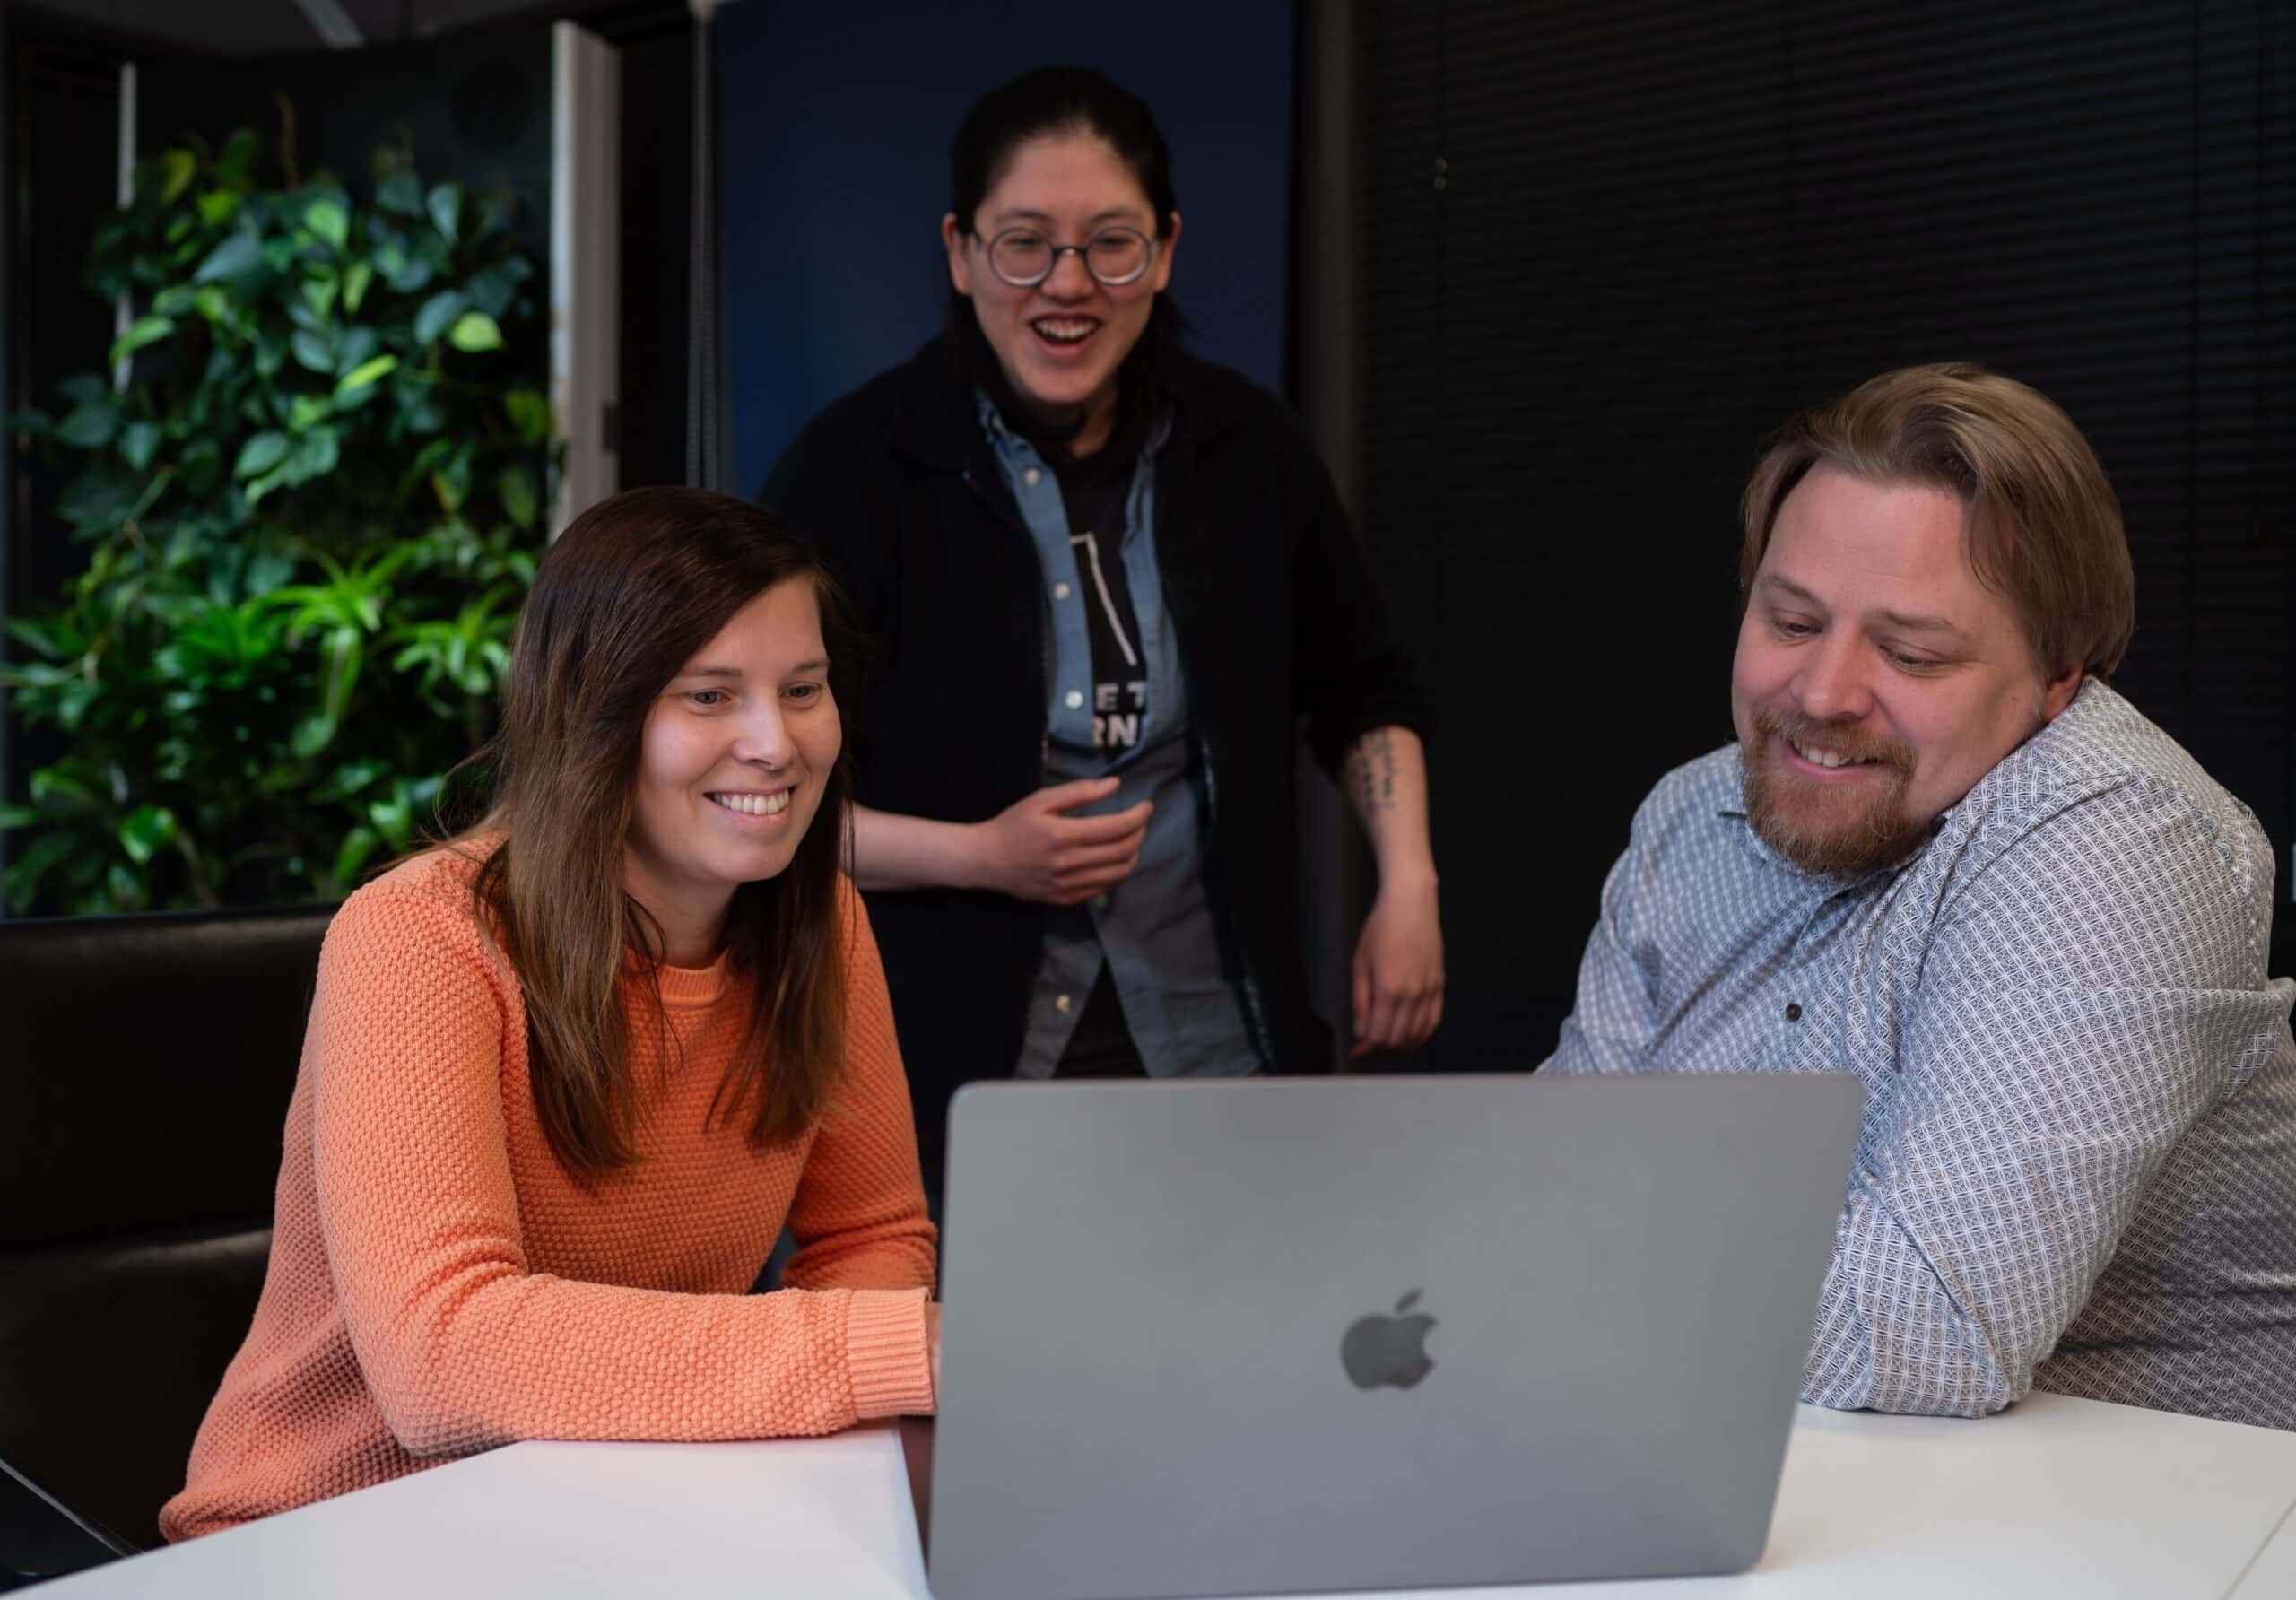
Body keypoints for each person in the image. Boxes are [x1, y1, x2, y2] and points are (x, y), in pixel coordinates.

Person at [161, 489, 938, 1539]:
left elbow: (870, 1233)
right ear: (597, 713)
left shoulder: (821, 925)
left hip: (624, 1506)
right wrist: (877, 1350)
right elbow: (443, 1352)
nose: (775, 742)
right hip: (332, 1535)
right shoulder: (417, 936)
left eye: (803, 688)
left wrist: (851, 1390)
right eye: (708, 697)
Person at [1541, 361, 2296, 1428]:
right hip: (1760, 1459)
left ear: (2055, 680)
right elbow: (1537, 1167)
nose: (1821, 694)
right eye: (1792, 622)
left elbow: (1924, 1327)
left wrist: (1547, 1251)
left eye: (1908, 650)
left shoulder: (2123, 834)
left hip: (2159, 1526)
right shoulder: (1691, 813)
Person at [762, 66, 1441, 1194]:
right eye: (1023, 242)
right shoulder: (854, 470)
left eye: (1109, 243)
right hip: (951, 1076)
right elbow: (758, 797)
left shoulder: (1248, 449)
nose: (1065, 285)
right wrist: (977, 853)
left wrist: (1408, 887)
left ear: (1165, 251)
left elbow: (1365, 686)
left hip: (1221, 1059)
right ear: (960, 251)